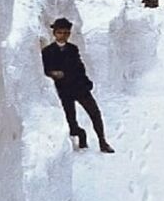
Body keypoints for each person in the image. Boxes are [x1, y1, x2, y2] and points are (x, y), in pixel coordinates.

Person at [41, 17, 114, 153]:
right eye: (60, 32)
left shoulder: (73, 49)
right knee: (71, 119)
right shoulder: (47, 52)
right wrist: (53, 73)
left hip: (79, 87)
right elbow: (44, 70)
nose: (63, 36)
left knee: (95, 113)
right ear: (54, 33)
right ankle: (81, 134)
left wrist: (86, 82)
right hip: (64, 90)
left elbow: (79, 67)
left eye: (66, 33)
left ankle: (102, 141)